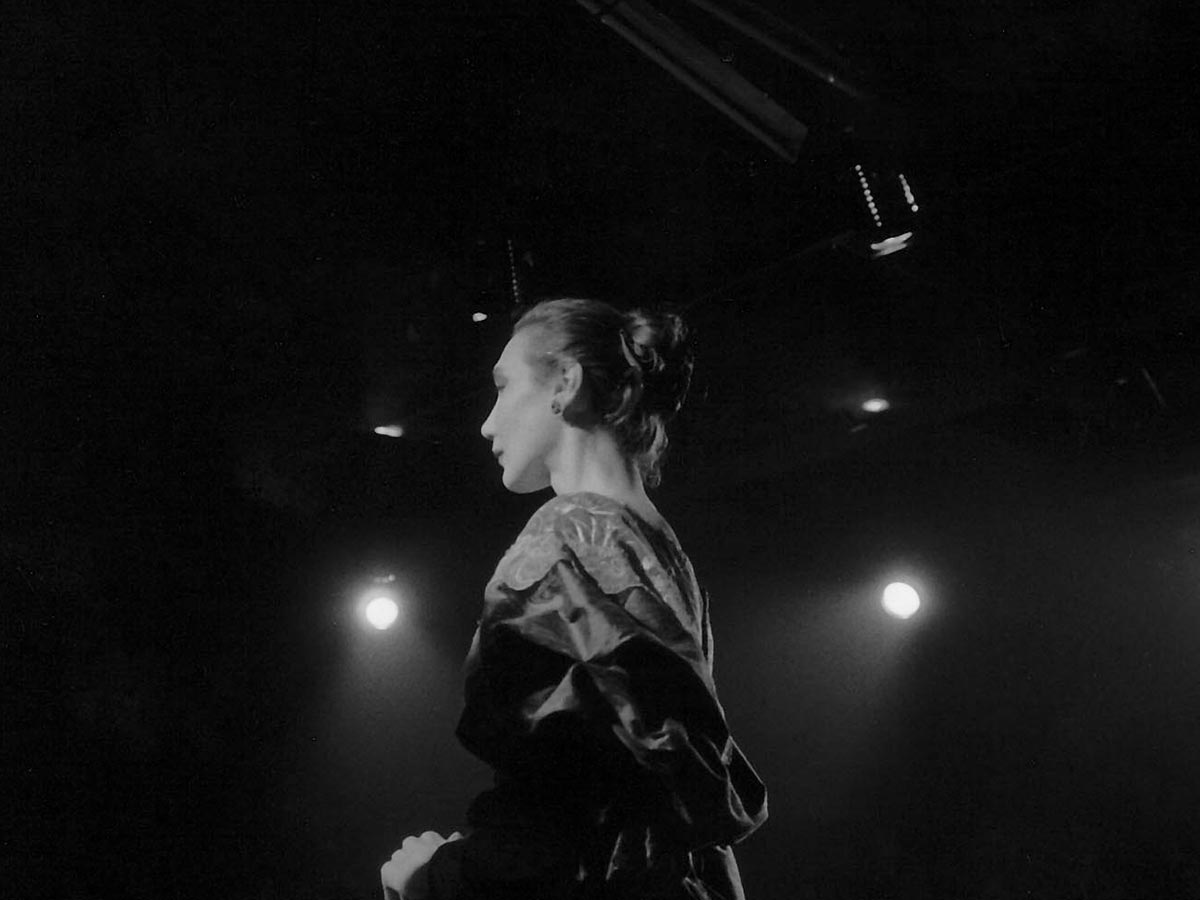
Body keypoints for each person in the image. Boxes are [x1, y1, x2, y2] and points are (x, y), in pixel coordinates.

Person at [381, 298, 767, 899]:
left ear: (566, 383)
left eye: (503, 388)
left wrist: (436, 876)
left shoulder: (567, 534)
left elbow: (561, 813)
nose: (486, 424)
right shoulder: (659, 549)